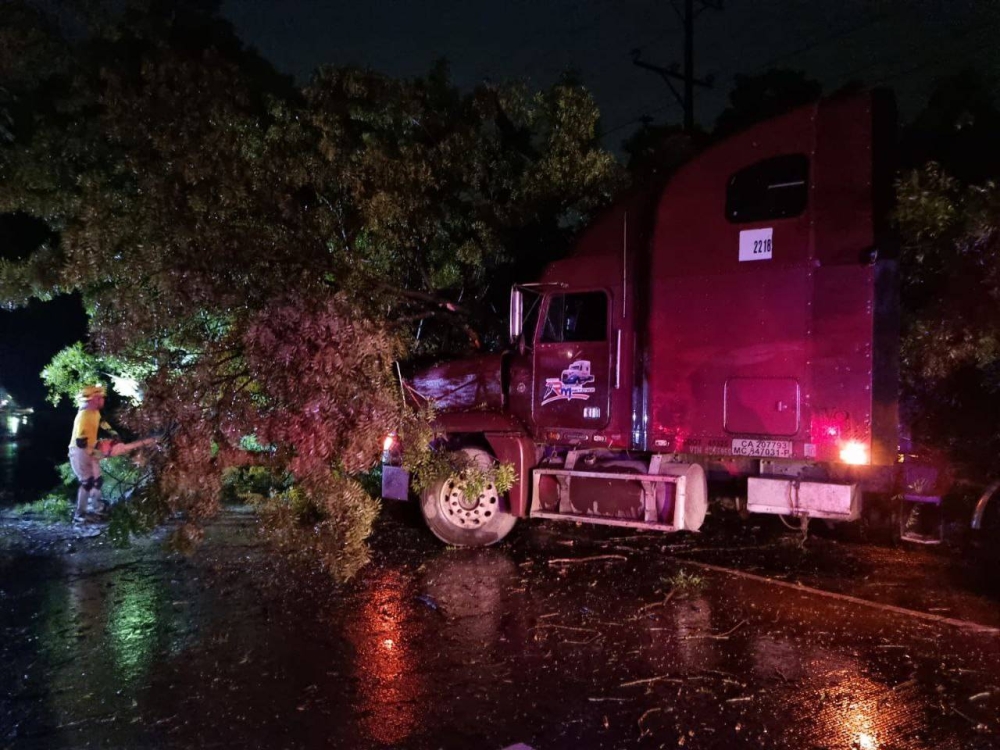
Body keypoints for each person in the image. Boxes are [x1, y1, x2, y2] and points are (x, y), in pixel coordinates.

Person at [68, 384, 113, 523]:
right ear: (95, 399)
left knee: (97, 481)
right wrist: (93, 452)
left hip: (89, 449)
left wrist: (113, 432)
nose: (103, 400)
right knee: (88, 482)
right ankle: (80, 514)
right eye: (101, 398)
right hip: (80, 451)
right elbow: (80, 440)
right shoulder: (85, 414)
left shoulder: (94, 411)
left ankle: (98, 509)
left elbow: (102, 422)